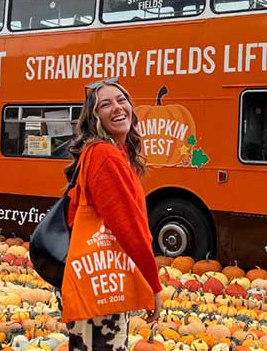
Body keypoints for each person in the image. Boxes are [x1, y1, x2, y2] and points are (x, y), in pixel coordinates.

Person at [62, 78, 162, 350]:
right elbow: (129, 227)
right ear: (94, 117)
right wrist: (152, 285)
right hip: (102, 279)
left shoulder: (108, 153)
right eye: (105, 104)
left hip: (93, 276)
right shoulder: (106, 156)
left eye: (121, 100)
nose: (117, 107)